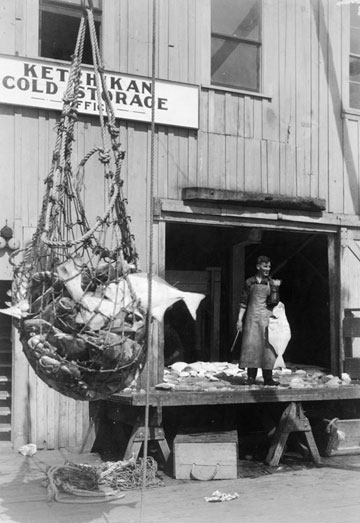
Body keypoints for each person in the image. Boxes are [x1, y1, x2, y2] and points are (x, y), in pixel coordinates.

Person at [236, 255, 281, 386]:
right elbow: (243, 302)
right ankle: (251, 377)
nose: (268, 269)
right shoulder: (250, 282)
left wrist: (276, 292)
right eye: (265, 266)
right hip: (252, 318)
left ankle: (268, 378)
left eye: (269, 267)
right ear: (258, 267)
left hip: (267, 319)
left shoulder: (272, 283)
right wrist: (239, 319)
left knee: (268, 347)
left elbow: (275, 303)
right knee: (251, 346)